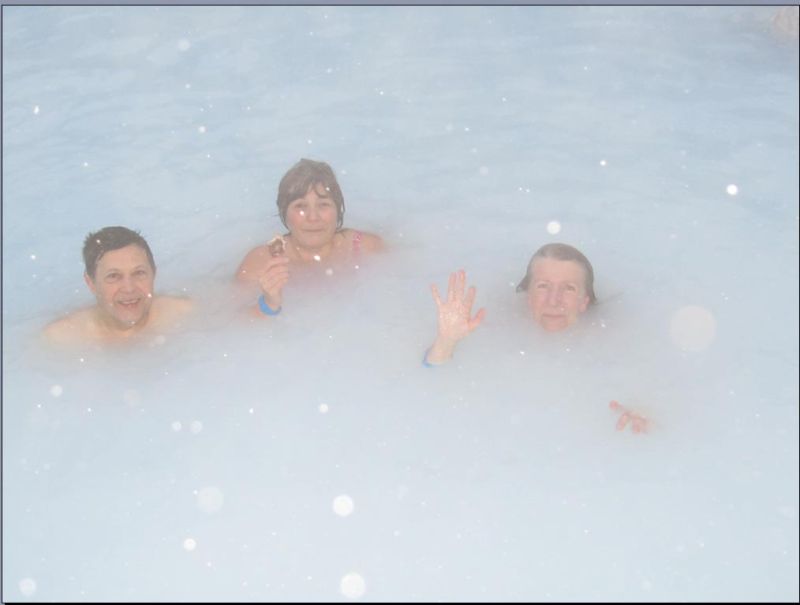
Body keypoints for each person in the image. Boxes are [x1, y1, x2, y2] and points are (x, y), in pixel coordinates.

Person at [423, 242, 648, 433]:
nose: (553, 300)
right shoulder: (496, 334)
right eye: (543, 286)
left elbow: (642, 399)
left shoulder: (612, 347)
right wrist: (446, 341)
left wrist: (642, 416)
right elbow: (431, 390)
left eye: (568, 288)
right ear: (528, 295)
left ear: (584, 301)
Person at [236, 158, 382, 317]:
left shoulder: (366, 248)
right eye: (300, 206)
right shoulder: (262, 263)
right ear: (285, 213)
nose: (313, 217)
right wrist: (269, 304)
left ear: (337, 210)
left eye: (323, 205)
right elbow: (230, 325)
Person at [43, 226, 192, 345]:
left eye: (139, 273)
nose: (129, 288)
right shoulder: (63, 339)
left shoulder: (184, 314)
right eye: (114, 276)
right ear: (91, 283)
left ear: (154, 274)